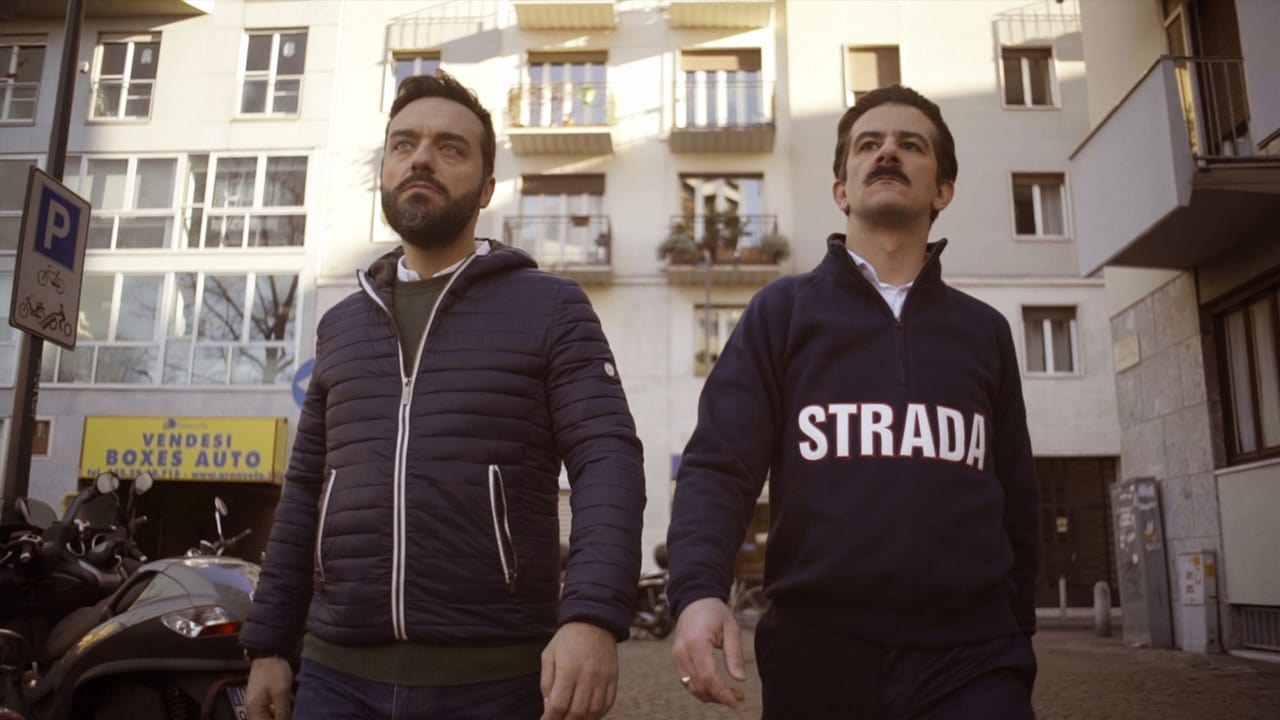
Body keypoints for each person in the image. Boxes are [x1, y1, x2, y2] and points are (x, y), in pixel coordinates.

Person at [240, 70, 646, 720]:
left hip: (495, 681)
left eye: (450, 148)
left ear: (486, 188)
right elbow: (306, 490)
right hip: (335, 680)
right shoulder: (341, 326)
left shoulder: (550, 307)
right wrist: (268, 645)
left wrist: (592, 616)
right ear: (384, 170)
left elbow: (608, 462)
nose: (421, 158)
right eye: (404, 144)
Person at [666, 84, 1040, 719]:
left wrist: (1018, 633)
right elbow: (719, 467)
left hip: (973, 657)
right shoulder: (780, 313)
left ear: (943, 190)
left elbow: (1018, 498)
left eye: (910, 145)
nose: (887, 152)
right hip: (817, 653)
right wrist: (698, 592)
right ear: (841, 190)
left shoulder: (985, 332)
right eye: (869, 144)